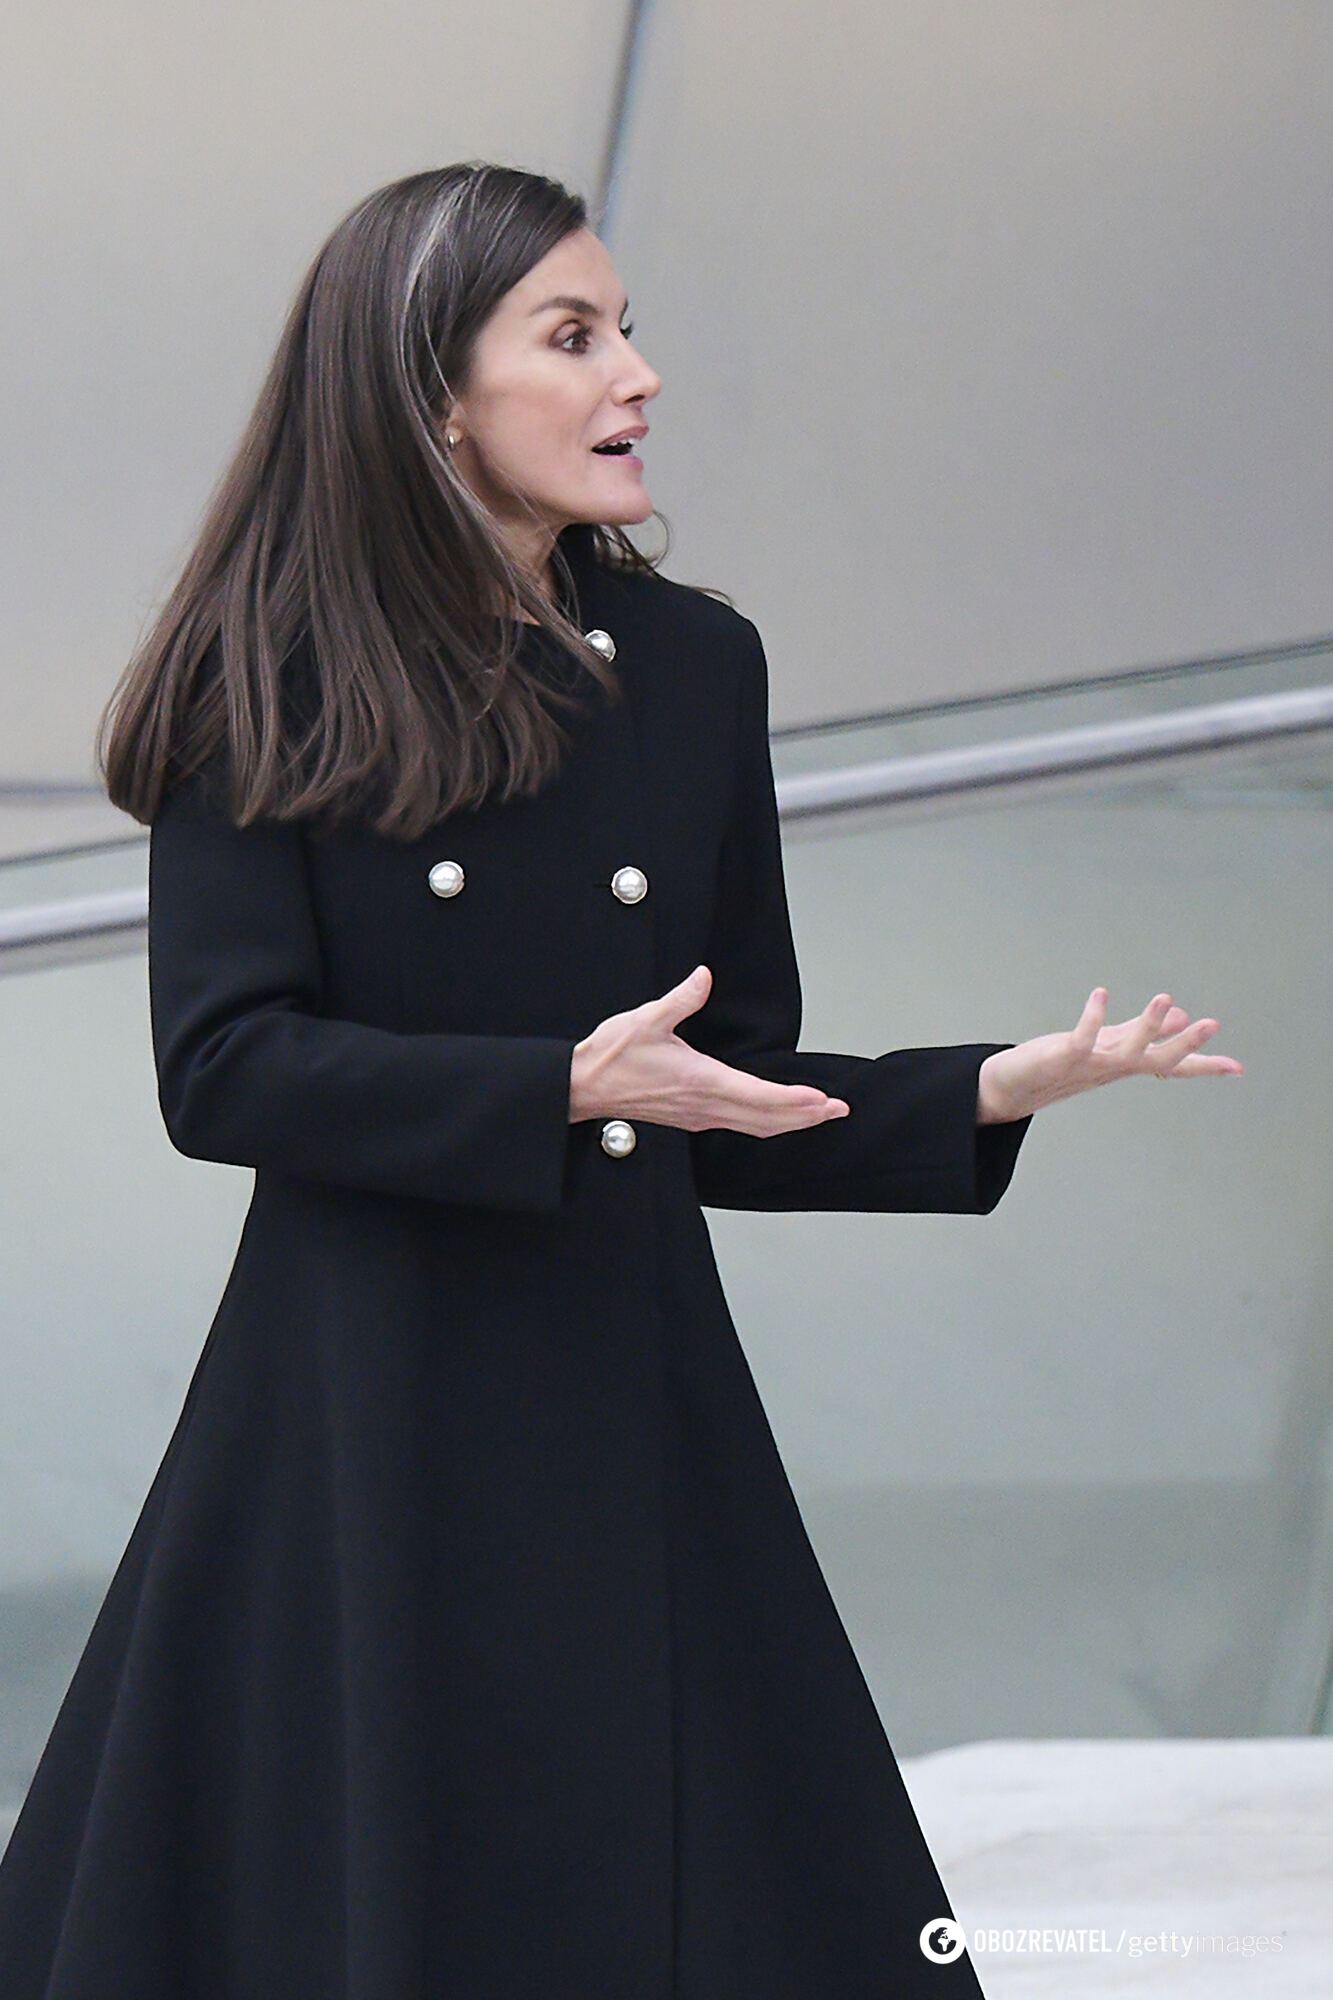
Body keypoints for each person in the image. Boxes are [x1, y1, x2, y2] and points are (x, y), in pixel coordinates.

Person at [0, 163, 1243, 1999]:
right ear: (434, 394)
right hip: (365, 1413)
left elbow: (717, 1087)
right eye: (572, 337)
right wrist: (557, 1087)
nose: (636, 374)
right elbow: (224, 1069)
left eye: (627, 328)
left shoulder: (692, 665)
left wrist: (987, 1087)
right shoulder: (265, 677)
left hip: (630, 1386)